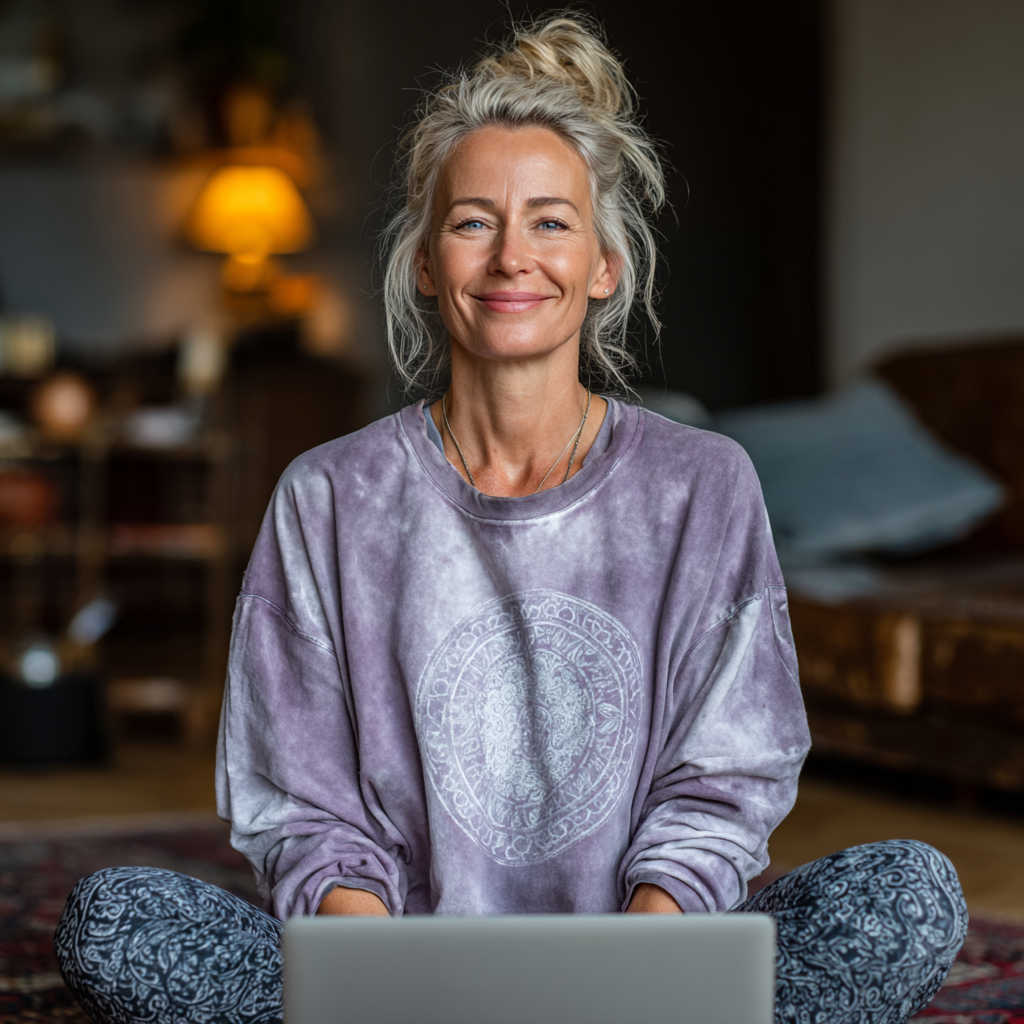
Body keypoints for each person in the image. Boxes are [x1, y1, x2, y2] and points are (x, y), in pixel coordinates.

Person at [54, 15, 966, 1024]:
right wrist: (380, 978)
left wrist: (643, 963)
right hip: (404, 974)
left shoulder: (701, 482)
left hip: (641, 970)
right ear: (425, 263)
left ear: (604, 263)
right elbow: (302, 801)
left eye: (549, 220)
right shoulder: (328, 493)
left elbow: (726, 772)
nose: (510, 257)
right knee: (112, 918)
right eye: (473, 220)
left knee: (904, 896)